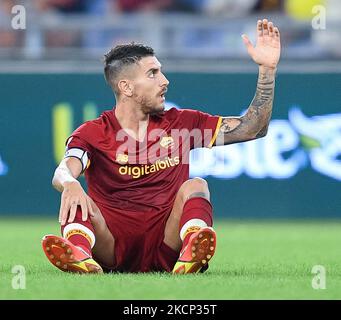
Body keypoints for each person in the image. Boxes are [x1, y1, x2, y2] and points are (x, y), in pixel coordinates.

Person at [42, 19, 281, 274]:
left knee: (196, 185)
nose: (164, 81)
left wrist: (267, 71)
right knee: (76, 197)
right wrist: (69, 183)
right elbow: (63, 170)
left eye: (161, 71)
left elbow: (253, 128)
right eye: (153, 73)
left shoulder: (182, 123)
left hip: (168, 247)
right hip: (110, 249)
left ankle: (192, 250)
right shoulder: (93, 133)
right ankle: (79, 253)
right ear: (126, 87)